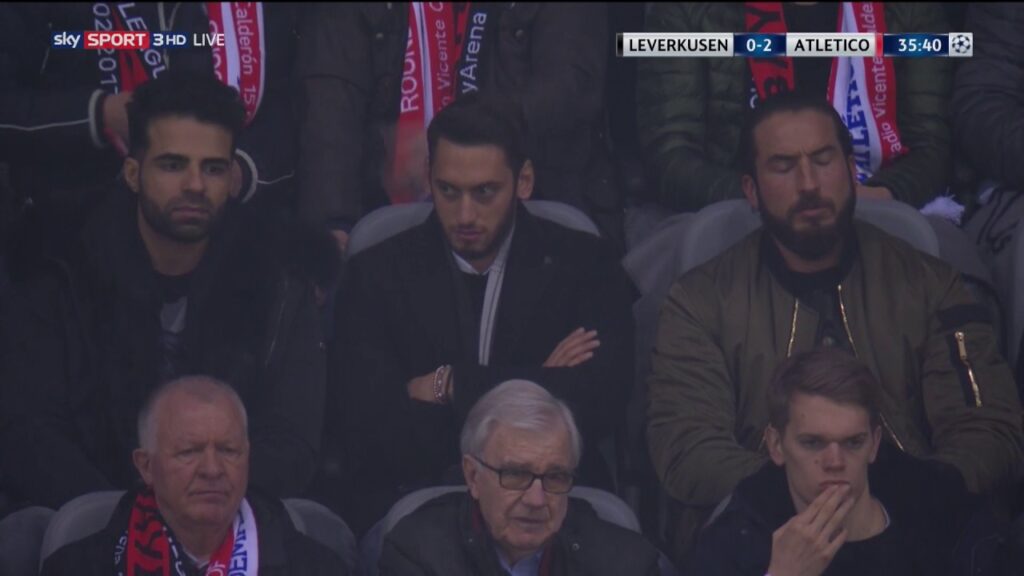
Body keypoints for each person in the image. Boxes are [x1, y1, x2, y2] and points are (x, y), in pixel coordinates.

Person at [646, 90, 1024, 565]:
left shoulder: (930, 283)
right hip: (764, 536)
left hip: (921, 529)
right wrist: (813, 495)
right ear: (750, 188)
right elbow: (687, 449)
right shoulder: (699, 300)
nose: (808, 183)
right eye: (783, 166)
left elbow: (990, 428)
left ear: (851, 169)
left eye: (823, 161)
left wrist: (896, 497)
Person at [0, 71, 325, 511]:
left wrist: (200, 508)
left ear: (232, 177)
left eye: (212, 168)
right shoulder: (58, 263)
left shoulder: (279, 276)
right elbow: (31, 432)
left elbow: (291, 438)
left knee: (316, 527)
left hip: (229, 514)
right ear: (133, 173)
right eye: (173, 165)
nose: (194, 184)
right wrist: (132, 517)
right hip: (89, 517)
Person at [334, 93, 636, 533]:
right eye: (448, 191)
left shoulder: (586, 265)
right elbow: (371, 430)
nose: (465, 214)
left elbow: (599, 402)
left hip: (551, 500)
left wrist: (450, 384)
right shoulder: (376, 274)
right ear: (428, 178)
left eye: (485, 192)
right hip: (420, 505)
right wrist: (540, 383)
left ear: (524, 181)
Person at [295, 3, 621, 253]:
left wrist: (462, 143)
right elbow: (331, 109)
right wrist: (333, 221)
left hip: (526, 208)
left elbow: (567, 89)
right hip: (385, 207)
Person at [693, 349, 1008, 576]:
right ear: (776, 445)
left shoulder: (943, 522)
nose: (834, 461)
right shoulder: (734, 542)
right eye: (812, 443)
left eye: (852, 442)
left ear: (874, 444)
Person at [635, 2, 952, 214]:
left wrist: (879, 195)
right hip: (739, 211)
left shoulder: (910, 9)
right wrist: (775, 198)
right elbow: (670, 155)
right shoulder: (687, 9)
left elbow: (932, 146)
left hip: (873, 204)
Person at [40, 375, 347, 575]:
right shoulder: (77, 568)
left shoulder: (318, 569)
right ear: (146, 466)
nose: (212, 470)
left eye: (228, 450)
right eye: (189, 452)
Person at [379, 379, 660, 575]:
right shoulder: (417, 555)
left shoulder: (627, 565)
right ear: (473, 476)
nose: (536, 499)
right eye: (515, 474)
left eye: (555, 476)